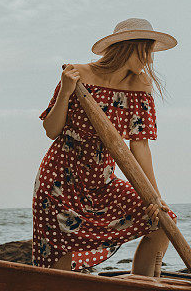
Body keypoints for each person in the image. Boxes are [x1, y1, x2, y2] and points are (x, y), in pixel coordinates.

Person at [31, 18, 178, 275]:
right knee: (60, 263)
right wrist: (66, 91)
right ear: (129, 47)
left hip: (103, 181)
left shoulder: (140, 84)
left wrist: (154, 197)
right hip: (59, 181)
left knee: (163, 223)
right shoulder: (76, 74)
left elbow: (139, 145)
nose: (150, 60)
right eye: (147, 51)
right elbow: (51, 130)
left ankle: (144, 286)